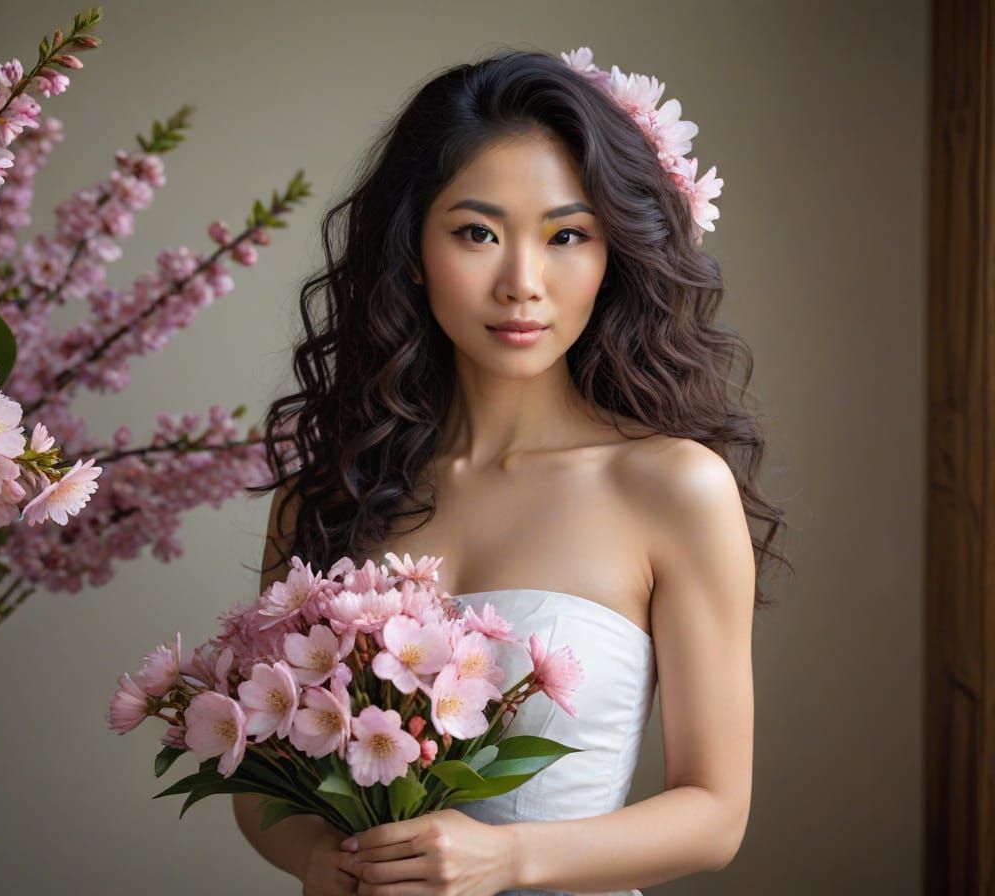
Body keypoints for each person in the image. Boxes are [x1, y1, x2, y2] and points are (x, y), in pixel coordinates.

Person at [233, 45, 791, 896]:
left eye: (567, 235)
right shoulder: (325, 493)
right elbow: (259, 781)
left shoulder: (674, 488)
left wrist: (510, 858)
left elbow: (715, 813)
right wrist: (319, 858)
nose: (522, 283)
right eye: (477, 233)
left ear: (611, 256)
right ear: (413, 249)